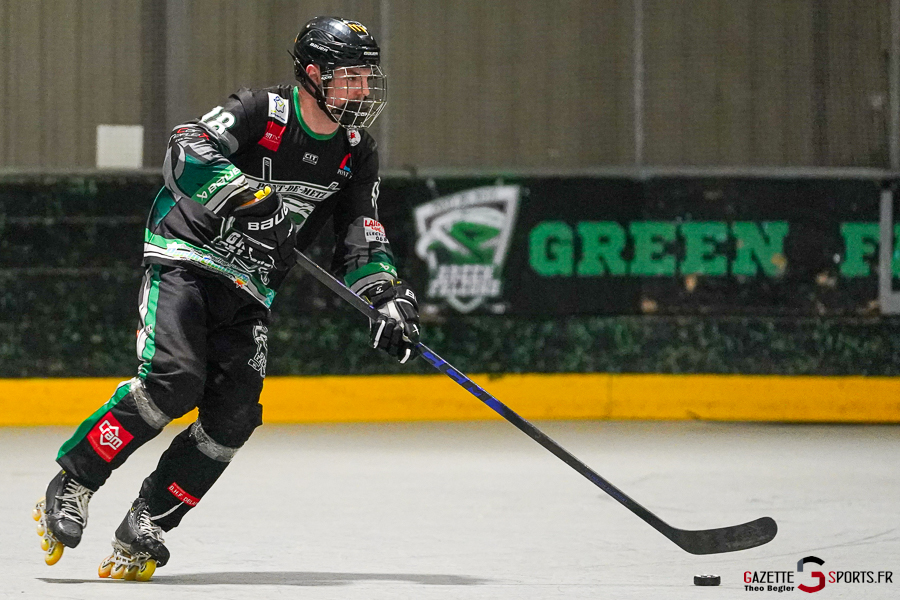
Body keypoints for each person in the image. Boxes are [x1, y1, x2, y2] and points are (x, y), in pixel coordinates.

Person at [32, 16, 420, 582]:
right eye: (351, 78)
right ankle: (75, 480)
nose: (363, 91)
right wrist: (244, 194)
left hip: (251, 286)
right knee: (172, 381)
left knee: (234, 416)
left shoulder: (355, 151)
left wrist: (385, 299)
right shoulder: (262, 110)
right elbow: (184, 149)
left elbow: (361, 234)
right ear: (313, 75)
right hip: (188, 255)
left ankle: (148, 522)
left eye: (367, 78)